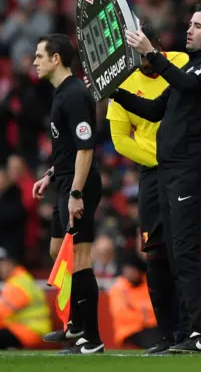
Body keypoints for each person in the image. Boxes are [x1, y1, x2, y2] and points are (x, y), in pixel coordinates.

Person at [110, 4, 201, 352]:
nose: (189, 29)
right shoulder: (188, 69)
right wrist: (114, 91)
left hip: (191, 170)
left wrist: (151, 53)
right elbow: (153, 109)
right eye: (189, 23)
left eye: (198, 25)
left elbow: (185, 83)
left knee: (188, 252)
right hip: (170, 172)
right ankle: (191, 332)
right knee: (178, 255)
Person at [32, 34, 104, 354]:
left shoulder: (74, 95)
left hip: (80, 185)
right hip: (64, 181)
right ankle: (76, 323)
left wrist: (76, 192)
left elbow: (86, 148)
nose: (34, 61)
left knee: (78, 259)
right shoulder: (61, 94)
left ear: (56, 58)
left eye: (39, 56)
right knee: (56, 252)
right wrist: (50, 175)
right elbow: (68, 147)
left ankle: (89, 336)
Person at [0, 246, 51, 349]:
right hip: (30, 329)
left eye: (1, 263)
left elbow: (2, 313)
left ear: (10, 263)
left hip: (29, 331)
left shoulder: (18, 284)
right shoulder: (21, 279)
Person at [108, 252, 161, 349]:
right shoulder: (119, 287)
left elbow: (159, 307)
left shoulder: (149, 283)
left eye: (132, 269)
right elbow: (121, 314)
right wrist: (145, 317)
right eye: (126, 269)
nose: (129, 273)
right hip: (129, 331)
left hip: (153, 328)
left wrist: (139, 311)